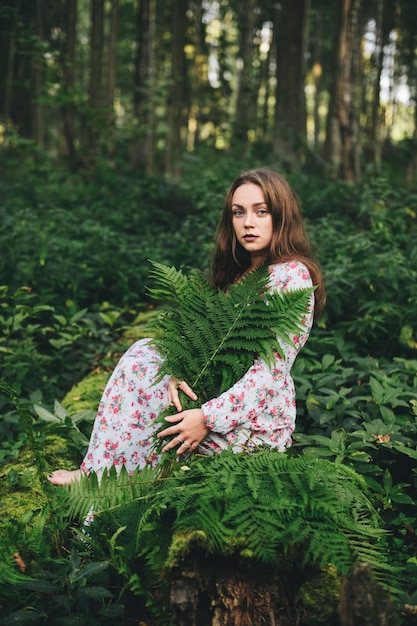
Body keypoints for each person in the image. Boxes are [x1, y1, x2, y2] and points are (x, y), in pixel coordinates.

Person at [48, 167, 325, 486]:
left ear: (282, 216)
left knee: (149, 397)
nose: (248, 222)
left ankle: (101, 483)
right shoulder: (242, 275)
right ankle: (99, 474)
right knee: (144, 356)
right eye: (238, 212)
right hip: (216, 397)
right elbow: (208, 347)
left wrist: (207, 419)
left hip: (251, 424)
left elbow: (269, 374)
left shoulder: (291, 277)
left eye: (261, 211)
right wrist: (179, 373)